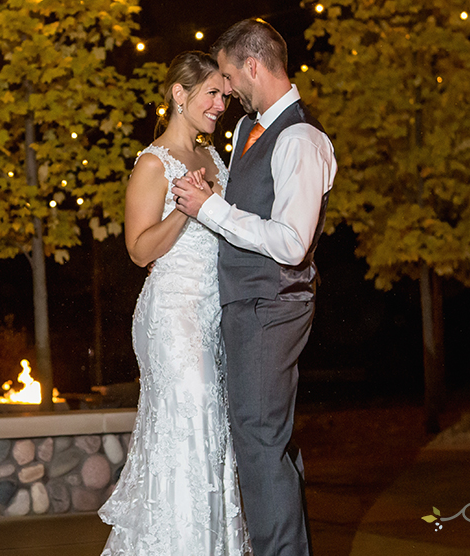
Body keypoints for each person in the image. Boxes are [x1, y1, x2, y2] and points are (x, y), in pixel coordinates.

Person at [171, 18, 337, 556]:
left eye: (226, 75)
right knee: (266, 442)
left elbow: (291, 243)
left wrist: (212, 209)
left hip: (273, 304)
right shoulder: (249, 131)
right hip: (245, 304)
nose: (225, 91)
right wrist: (213, 195)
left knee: (259, 441)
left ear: (253, 66)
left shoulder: (302, 140)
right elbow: (248, 210)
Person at [97, 51, 250, 556]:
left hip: (215, 313)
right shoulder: (152, 163)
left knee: (214, 434)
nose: (221, 104)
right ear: (179, 95)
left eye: (225, 95)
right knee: (190, 426)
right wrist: (187, 209)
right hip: (174, 313)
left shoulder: (215, 158)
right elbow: (139, 250)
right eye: (212, 92)